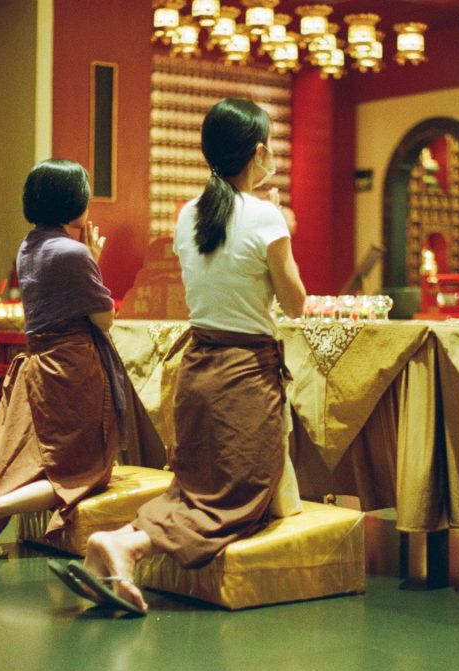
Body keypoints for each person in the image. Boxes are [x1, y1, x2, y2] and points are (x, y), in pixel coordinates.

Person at [48, 97, 306, 614]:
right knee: (234, 501)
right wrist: (283, 234)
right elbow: (295, 301)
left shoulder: (189, 214)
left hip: (197, 373)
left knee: (193, 490)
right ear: (259, 152)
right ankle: (128, 545)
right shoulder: (266, 216)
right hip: (243, 376)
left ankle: (115, 546)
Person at [0, 159, 126, 559]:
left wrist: (86, 255)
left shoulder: (29, 246)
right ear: (72, 201)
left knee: (20, 456)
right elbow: (104, 319)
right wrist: (92, 259)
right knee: (86, 471)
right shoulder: (73, 252)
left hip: (40, 362)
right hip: (74, 367)